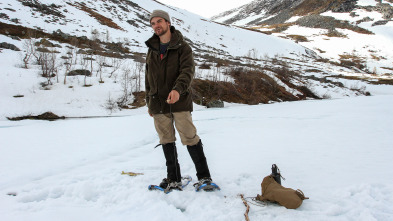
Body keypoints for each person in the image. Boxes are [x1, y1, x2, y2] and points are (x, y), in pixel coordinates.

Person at [145, 10, 215, 191]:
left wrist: (177, 90)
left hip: (180, 101)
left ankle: (204, 177)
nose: (156, 25)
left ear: (168, 23)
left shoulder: (183, 47)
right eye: (153, 23)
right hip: (158, 104)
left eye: (159, 21)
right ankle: (173, 179)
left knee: (190, 137)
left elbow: (187, 72)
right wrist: (148, 101)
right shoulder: (151, 50)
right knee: (166, 140)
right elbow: (148, 77)